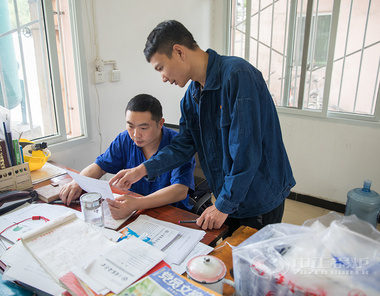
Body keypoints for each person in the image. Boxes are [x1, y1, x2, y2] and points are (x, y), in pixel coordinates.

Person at [109, 20, 295, 236]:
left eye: (161, 68)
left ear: (179, 51)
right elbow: (182, 146)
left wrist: (223, 205)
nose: (163, 78)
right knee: (226, 259)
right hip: (228, 194)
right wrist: (142, 170)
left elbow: (246, 151)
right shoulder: (191, 97)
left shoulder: (237, 76)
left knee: (256, 263)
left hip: (258, 195)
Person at [59, 93, 195, 219]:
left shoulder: (179, 146)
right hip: (134, 210)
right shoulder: (125, 139)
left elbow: (180, 190)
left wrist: (138, 203)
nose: (136, 134)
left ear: (160, 123)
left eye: (143, 128)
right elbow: (100, 166)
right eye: (130, 126)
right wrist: (78, 182)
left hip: (171, 214)